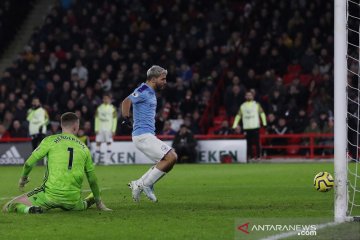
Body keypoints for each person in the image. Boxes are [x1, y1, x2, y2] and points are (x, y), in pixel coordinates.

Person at [2, 112, 111, 214]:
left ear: (61, 125)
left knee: (10, 205)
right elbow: (92, 180)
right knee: (81, 204)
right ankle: (91, 200)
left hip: (50, 196)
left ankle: (30, 209)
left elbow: (28, 164)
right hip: (72, 200)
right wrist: (99, 203)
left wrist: (23, 178)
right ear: (76, 126)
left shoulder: (50, 140)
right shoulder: (84, 148)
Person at [121, 65, 177, 203]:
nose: (165, 81)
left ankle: (139, 183)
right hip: (142, 135)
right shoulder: (143, 90)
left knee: (165, 162)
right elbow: (126, 101)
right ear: (153, 79)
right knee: (171, 157)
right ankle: (145, 185)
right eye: (162, 79)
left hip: (147, 135)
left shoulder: (150, 92)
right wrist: (126, 117)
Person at [232, 91, 267, 160]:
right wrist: (234, 125)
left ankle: (258, 156)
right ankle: (250, 157)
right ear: (245, 97)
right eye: (247, 95)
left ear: (252, 96)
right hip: (247, 128)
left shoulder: (257, 104)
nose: (248, 96)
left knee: (257, 143)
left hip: (255, 127)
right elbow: (238, 116)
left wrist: (264, 123)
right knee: (248, 144)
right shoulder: (242, 106)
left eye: (250, 95)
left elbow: (262, 114)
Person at [94, 93, 117, 163]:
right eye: (104, 98)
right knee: (98, 142)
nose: (105, 99)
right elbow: (96, 119)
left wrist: (113, 129)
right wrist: (96, 128)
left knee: (109, 143)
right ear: (103, 99)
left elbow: (115, 119)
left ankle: (108, 160)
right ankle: (96, 160)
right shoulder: (99, 108)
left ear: (109, 99)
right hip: (100, 128)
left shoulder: (112, 108)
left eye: (107, 98)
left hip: (108, 129)